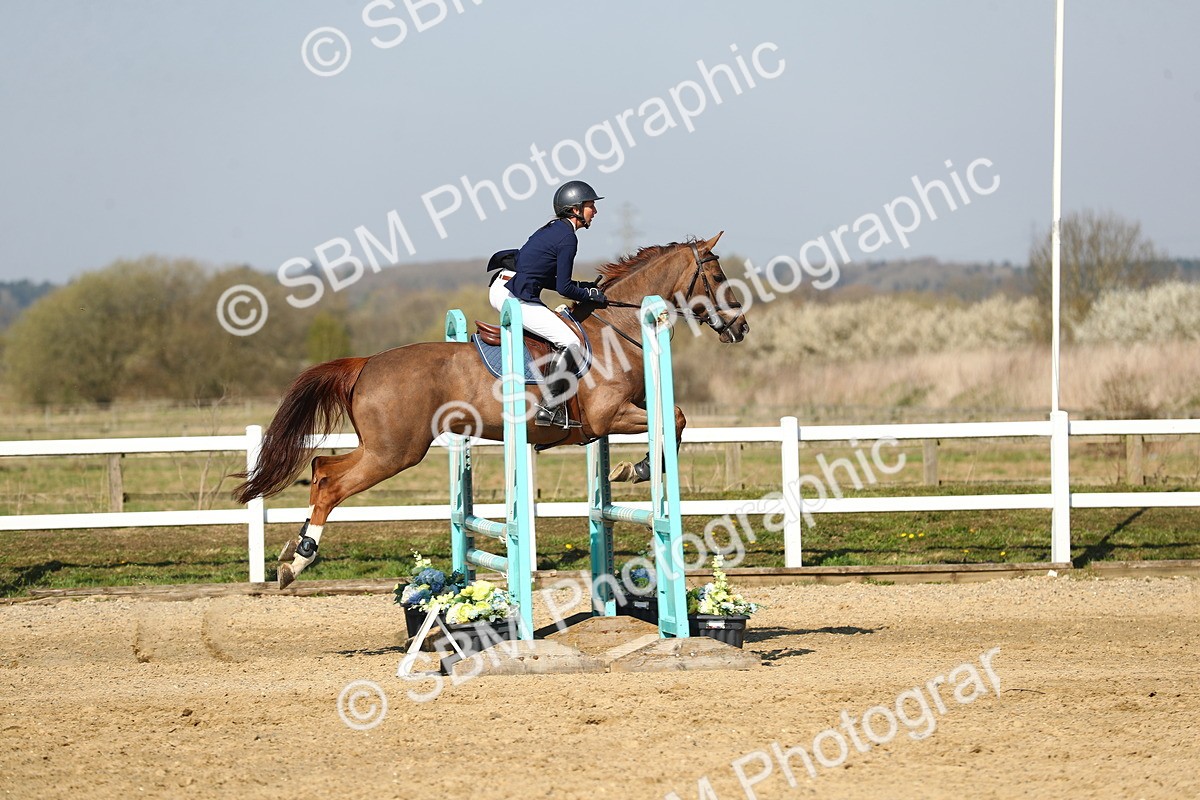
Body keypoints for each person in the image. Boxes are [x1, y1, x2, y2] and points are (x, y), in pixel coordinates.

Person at [489, 180, 609, 428]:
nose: (594, 211)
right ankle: (548, 406)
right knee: (572, 342)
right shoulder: (567, 238)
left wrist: (584, 286)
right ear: (575, 209)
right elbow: (564, 289)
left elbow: (546, 279)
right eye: (590, 206)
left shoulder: (555, 229)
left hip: (505, 285)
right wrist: (590, 295)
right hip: (512, 295)